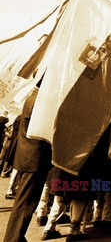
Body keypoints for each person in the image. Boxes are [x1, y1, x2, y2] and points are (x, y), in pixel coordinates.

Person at [4, 79, 53, 242]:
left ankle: (15, 236)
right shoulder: (41, 102)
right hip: (35, 158)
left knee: (23, 202)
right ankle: (14, 238)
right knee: (26, 204)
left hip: (27, 156)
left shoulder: (32, 98)